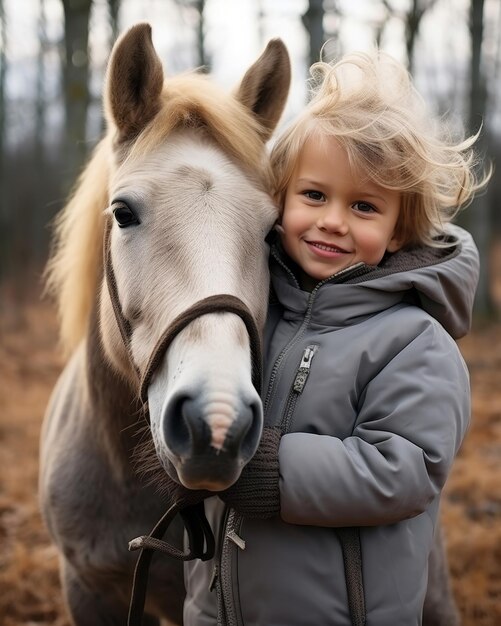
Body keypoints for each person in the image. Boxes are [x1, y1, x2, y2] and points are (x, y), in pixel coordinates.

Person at [181, 51, 488, 625]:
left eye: (364, 206)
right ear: (280, 199)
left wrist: (268, 471)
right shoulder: (251, 311)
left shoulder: (415, 340)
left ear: (397, 231)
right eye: (314, 195)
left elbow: (405, 467)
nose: (333, 221)